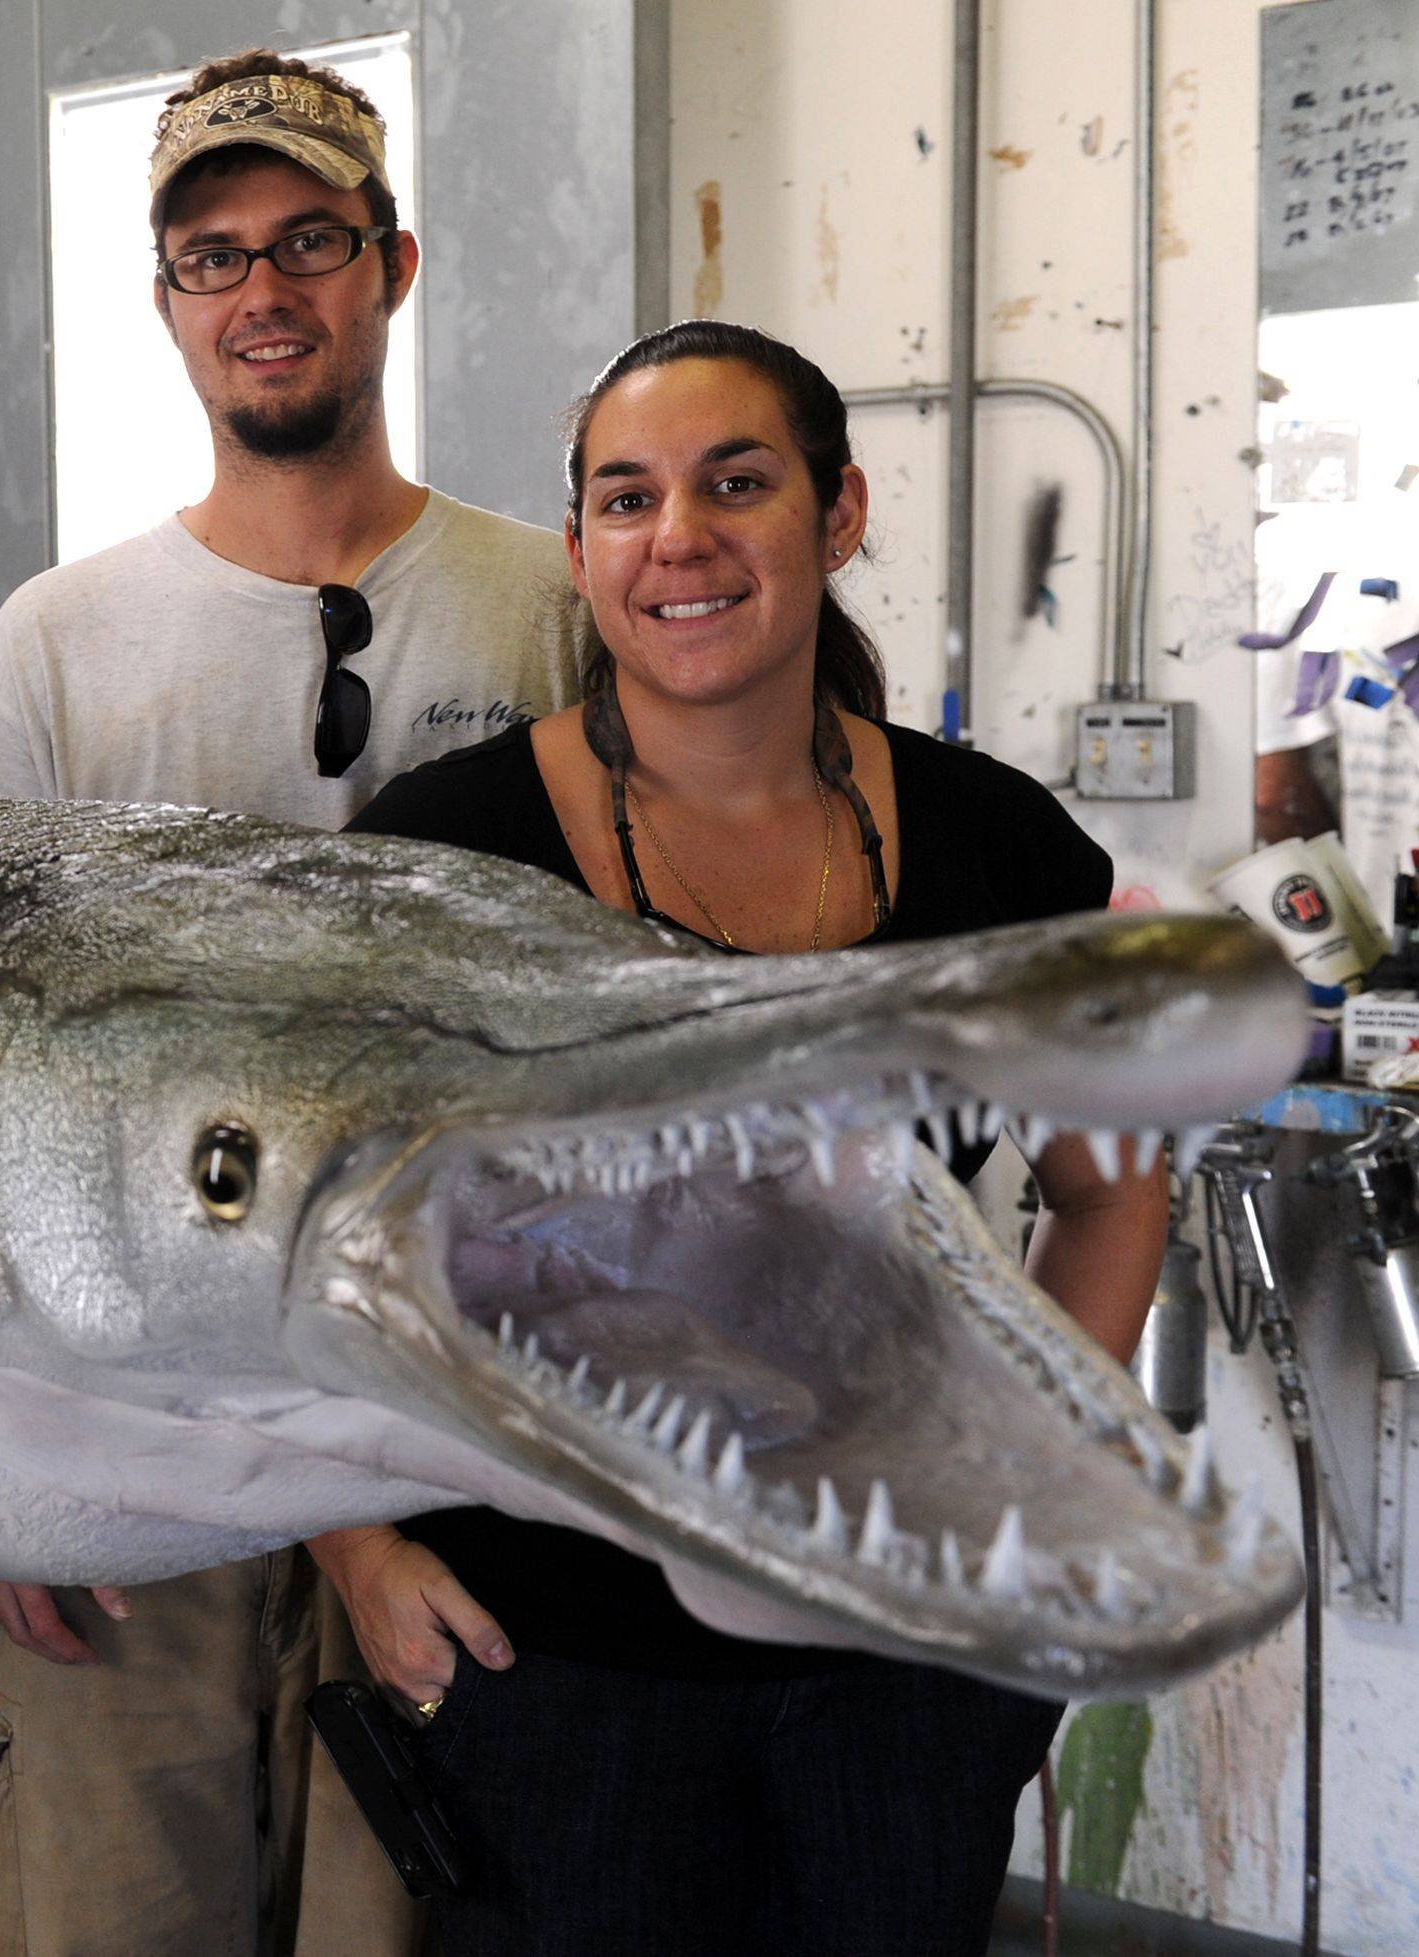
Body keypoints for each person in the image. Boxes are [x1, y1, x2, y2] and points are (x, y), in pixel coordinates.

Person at [345, 317, 1170, 1955]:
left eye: (737, 483)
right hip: (555, 1654)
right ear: (580, 549)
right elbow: (292, 1239)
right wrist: (355, 1545)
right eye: (628, 498)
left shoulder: (994, 841)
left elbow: (1108, 1188)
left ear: (837, 514)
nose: (681, 538)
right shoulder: (446, 854)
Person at [0, 49, 590, 1957]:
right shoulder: (57, 642)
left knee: (408, 1910)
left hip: (450, 1421)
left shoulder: (550, 603)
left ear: (396, 262)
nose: (262, 290)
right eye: (212, 256)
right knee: (107, 1907)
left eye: (309, 239)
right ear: (166, 303)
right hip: (135, 1423)